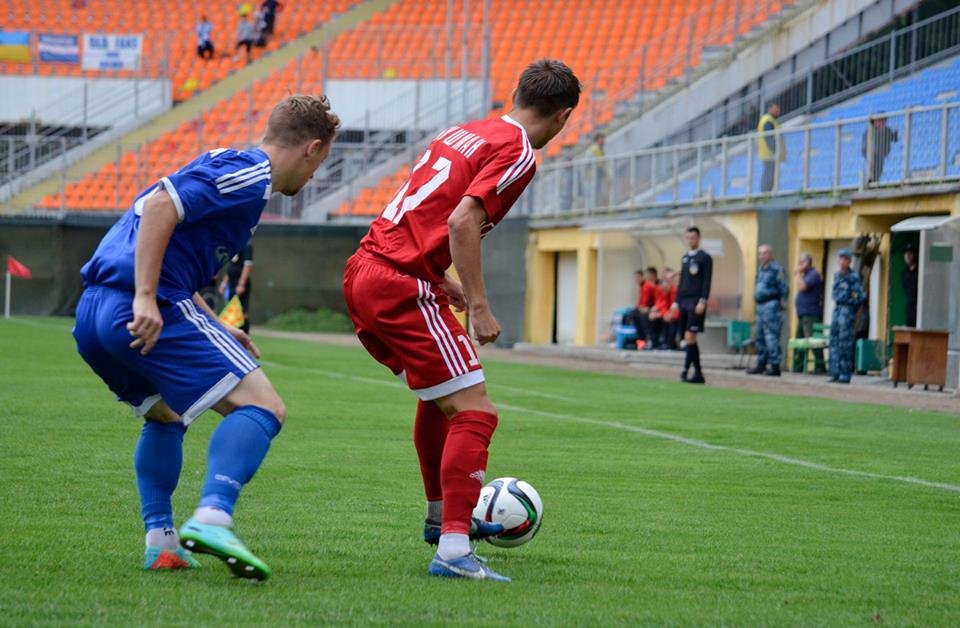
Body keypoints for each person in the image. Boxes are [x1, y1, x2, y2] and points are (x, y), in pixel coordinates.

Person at [72, 95, 340, 579]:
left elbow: (175, 258)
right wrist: (145, 297)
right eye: (319, 164)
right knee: (264, 407)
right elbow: (161, 205)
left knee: (166, 416)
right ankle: (213, 517)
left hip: (94, 313)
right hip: (139, 303)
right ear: (312, 148)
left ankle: (162, 543)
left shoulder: (239, 178)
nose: (314, 176)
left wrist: (218, 326)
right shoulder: (250, 173)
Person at [342, 59, 580, 582]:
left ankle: (441, 519)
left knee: (440, 398)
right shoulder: (518, 150)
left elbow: (424, 213)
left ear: (516, 94)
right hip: (400, 282)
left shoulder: (464, 131)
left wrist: (440, 278)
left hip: (367, 268)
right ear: (563, 116)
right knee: (477, 412)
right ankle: (453, 549)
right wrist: (478, 303)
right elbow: (461, 220)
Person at [672, 227, 712, 383]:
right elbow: (682, 282)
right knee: (688, 339)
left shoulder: (705, 258)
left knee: (690, 336)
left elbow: (707, 281)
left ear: (699, 238)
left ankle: (685, 371)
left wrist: (703, 300)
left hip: (696, 301)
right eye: (688, 237)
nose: (690, 240)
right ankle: (698, 373)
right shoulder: (685, 258)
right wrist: (676, 301)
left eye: (693, 237)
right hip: (684, 301)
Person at [746, 245, 788, 376]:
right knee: (759, 336)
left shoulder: (777, 269)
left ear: (770, 254)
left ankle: (775, 366)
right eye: (760, 254)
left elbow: (784, 287)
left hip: (771, 306)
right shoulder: (761, 269)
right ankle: (761, 364)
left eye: (764, 253)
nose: (761, 256)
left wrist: (783, 301)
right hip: (761, 307)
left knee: (771, 337)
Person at [828, 248, 865, 384]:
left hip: (846, 310)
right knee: (834, 341)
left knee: (845, 343)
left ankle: (844, 374)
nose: (842, 261)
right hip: (837, 309)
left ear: (849, 261)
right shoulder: (837, 275)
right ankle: (835, 372)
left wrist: (851, 309)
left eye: (845, 259)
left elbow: (859, 296)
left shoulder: (853, 277)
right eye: (841, 258)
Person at [793, 252, 825, 373]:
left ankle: (820, 366)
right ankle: (798, 367)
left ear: (807, 263)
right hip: (802, 314)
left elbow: (802, 287)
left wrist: (798, 273)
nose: (799, 265)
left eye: (801, 262)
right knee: (799, 342)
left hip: (811, 314)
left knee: (813, 341)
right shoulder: (805, 275)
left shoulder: (813, 275)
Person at [221, 243, 254, 334]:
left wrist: (241, 284)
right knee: (231, 310)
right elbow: (231, 267)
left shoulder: (247, 246)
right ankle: (233, 334)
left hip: (240, 284)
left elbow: (248, 266)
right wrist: (224, 282)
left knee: (242, 312)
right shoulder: (235, 245)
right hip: (231, 284)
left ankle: (245, 335)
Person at [757, 102, 785, 193]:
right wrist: (775, 150)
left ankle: (767, 193)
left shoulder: (772, 121)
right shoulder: (767, 121)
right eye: (775, 109)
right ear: (769, 109)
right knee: (769, 174)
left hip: (770, 153)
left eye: (778, 109)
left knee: (771, 174)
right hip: (769, 153)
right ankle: (765, 193)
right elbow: (768, 137)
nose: (778, 111)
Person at [862, 115, 898, 185]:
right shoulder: (868, 131)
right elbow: (864, 146)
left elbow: (894, 138)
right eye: (879, 121)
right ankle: (871, 180)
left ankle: (875, 181)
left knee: (879, 169)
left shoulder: (886, 130)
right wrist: (869, 152)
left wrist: (896, 132)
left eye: (883, 121)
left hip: (881, 155)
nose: (882, 123)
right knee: (872, 168)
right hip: (872, 155)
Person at [632, 266, 658, 346]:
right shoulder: (643, 286)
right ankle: (640, 340)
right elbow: (641, 301)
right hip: (649, 307)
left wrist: (644, 308)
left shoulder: (647, 286)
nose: (636, 279)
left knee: (641, 316)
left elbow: (645, 302)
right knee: (633, 314)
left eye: (638, 277)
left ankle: (645, 340)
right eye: (635, 278)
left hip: (652, 307)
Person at [902, 242, 918, 327]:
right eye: (906, 254)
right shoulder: (905, 273)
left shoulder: (920, 271)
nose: (907, 256)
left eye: (910, 253)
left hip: (920, 308)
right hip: (910, 310)